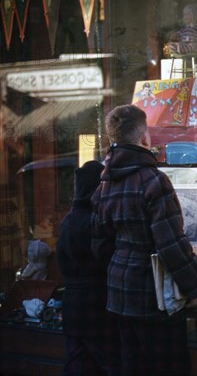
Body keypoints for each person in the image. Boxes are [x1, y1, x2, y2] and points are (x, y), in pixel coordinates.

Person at [91, 105, 197, 376]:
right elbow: (171, 244)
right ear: (145, 138)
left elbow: (100, 245)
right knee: (169, 367)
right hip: (154, 298)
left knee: (132, 368)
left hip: (120, 294)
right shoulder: (153, 181)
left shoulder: (105, 185)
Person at [56, 160, 121, 376]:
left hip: (73, 306)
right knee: (111, 364)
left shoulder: (68, 220)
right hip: (95, 304)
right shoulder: (94, 221)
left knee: (77, 363)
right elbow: (106, 259)